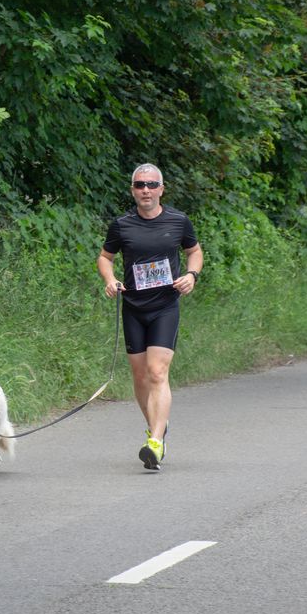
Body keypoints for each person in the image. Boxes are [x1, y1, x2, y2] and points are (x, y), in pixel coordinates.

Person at [97, 164, 203, 471]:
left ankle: (155, 442)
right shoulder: (122, 225)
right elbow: (105, 257)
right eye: (140, 184)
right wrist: (110, 280)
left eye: (152, 184)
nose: (146, 190)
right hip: (133, 306)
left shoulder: (178, 220)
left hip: (165, 307)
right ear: (133, 190)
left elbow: (194, 251)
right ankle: (157, 425)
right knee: (140, 376)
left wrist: (191, 275)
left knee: (157, 372)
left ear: (161, 189)